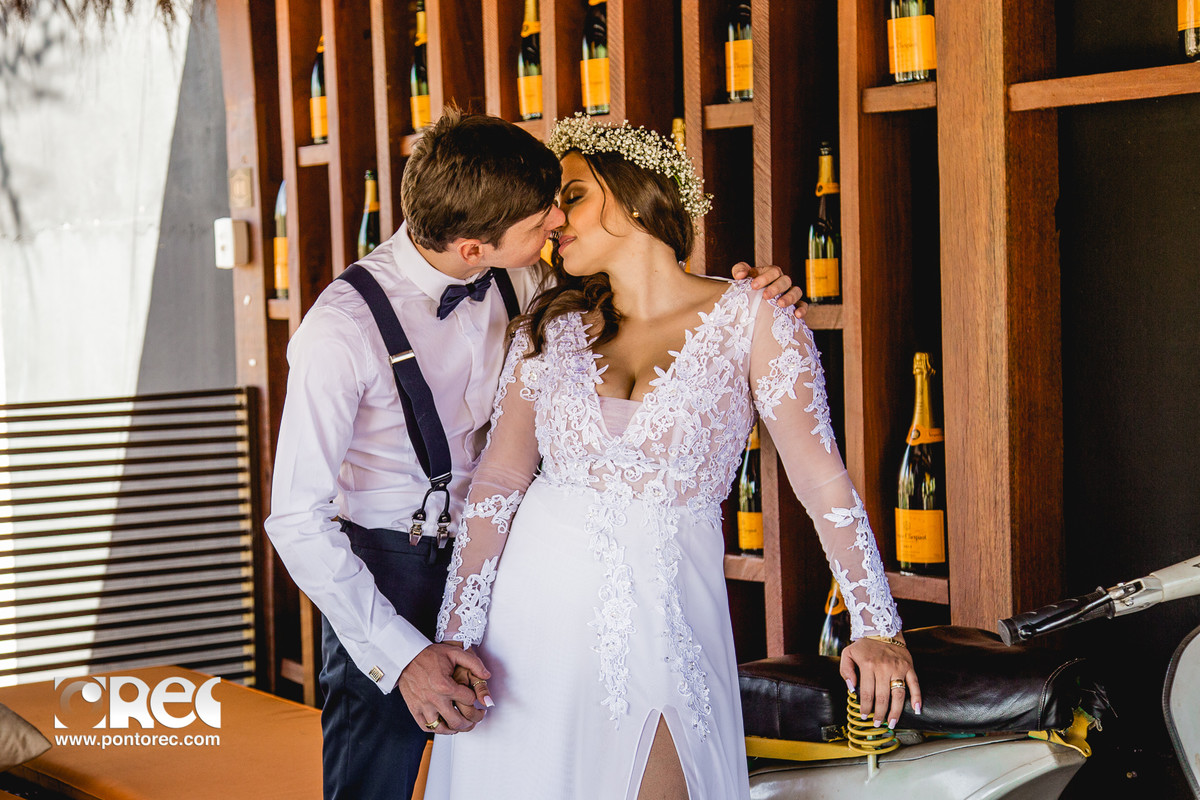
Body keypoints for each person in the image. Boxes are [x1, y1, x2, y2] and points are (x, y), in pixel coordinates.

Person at [264, 109, 804, 800]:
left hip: (517, 568)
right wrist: (402, 659)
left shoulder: (529, 283)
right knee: (375, 782)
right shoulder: (336, 332)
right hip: (387, 574)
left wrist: (759, 297)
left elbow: (644, 297)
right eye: (541, 219)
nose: (558, 222)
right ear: (471, 248)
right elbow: (296, 521)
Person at [427, 115, 920, 800]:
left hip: (668, 612)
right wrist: (457, 633)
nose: (551, 220)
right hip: (530, 620)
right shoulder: (552, 328)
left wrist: (876, 624)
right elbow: (500, 481)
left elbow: (820, 476)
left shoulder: (754, 317)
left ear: (634, 194)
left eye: (570, 195)